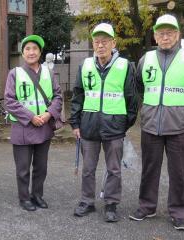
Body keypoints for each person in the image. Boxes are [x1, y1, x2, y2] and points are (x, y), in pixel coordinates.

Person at [129, 14, 184, 230]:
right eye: (161, 33)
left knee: (178, 171)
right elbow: (137, 84)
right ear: (155, 36)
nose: (165, 36)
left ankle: (179, 212)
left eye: (170, 32)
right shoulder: (146, 59)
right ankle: (147, 206)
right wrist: (145, 108)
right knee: (149, 169)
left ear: (177, 35)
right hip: (150, 125)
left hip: (178, 126)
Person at [69, 23, 138, 222]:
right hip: (88, 126)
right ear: (93, 44)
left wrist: (125, 123)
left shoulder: (125, 66)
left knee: (114, 169)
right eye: (97, 41)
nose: (100, 45)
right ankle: (87, 201)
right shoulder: (85, 65)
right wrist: (75, 123)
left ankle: (111, 204)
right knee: (88, 168)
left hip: (115, 127)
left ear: (113, 43)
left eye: (105, 41)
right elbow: (78, 96)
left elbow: (132, 98)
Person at [4, 35, 62, 211]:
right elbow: (9, 100)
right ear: (22, 53)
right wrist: (30, 116)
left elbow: (58, 96)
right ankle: (24, 198)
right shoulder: (15, 73)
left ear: (40, 52)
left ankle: (37, 195)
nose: (31, 52)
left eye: (34, 49)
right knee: (23, 168)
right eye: (27, 49)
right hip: (23, 126)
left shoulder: (49, 73)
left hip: (43, 126)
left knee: (41, 166)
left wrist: (48, 114)